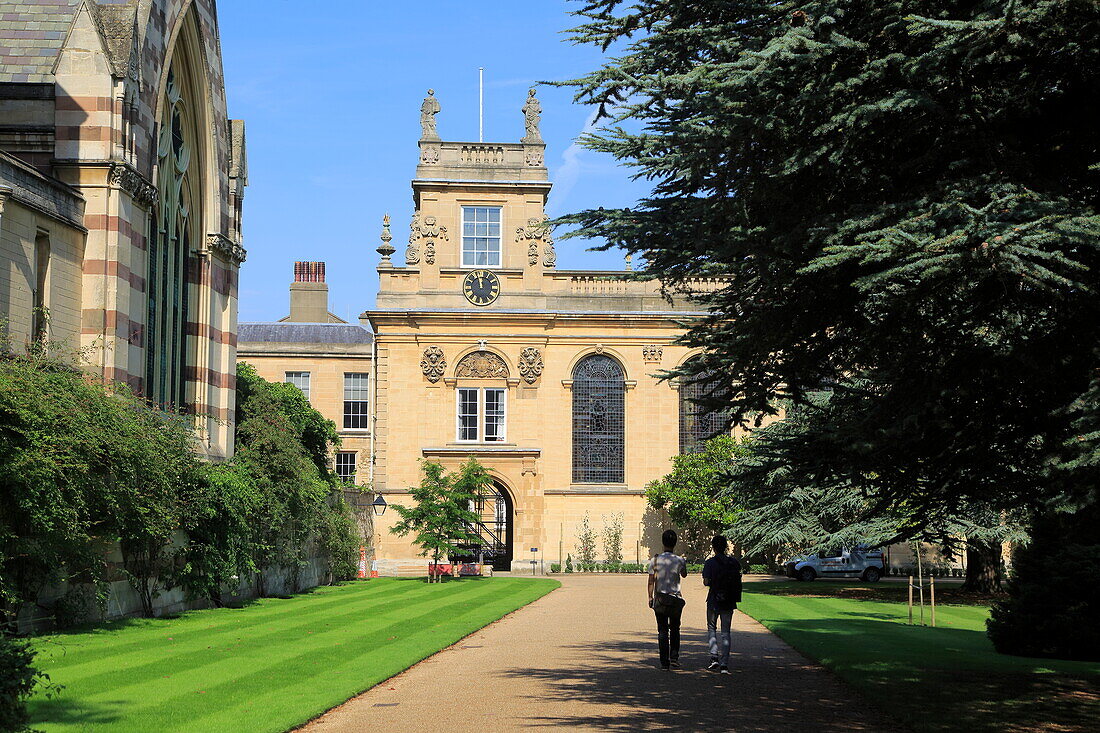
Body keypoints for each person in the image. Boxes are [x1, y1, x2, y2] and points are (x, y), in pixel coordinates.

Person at [647, 529, 687, 670]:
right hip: (675, 598)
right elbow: (684, 575)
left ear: (663, 542)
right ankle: (674, 658)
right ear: (675, 543)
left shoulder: (655, 560)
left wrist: (650, 597)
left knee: (663, 631)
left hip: (661, 598)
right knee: (675, 629)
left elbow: (651, 581)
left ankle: (665, 662)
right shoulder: (679, 560)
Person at [702, 534, 742, 674]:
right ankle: (724, 663)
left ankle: (714, 658)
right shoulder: (734, 562)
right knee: (726, 632)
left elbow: (706, 582)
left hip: (714, 599)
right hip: (729, 600)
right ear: (726, 546)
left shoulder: (710, 563)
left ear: (713, 547)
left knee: (711, 628)